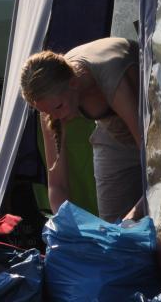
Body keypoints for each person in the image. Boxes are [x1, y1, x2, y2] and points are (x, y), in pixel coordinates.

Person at [20, 37, 144, 223]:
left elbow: (155, 167)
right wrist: (67, 224)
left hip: (153, 122)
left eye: (59, 108)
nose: (55, 117)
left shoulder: (112, 80)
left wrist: (132, 216)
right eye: (47, 112)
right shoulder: (51, 102)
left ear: (74, 84)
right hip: (112, 131)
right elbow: (57, 185)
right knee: (111, 224)